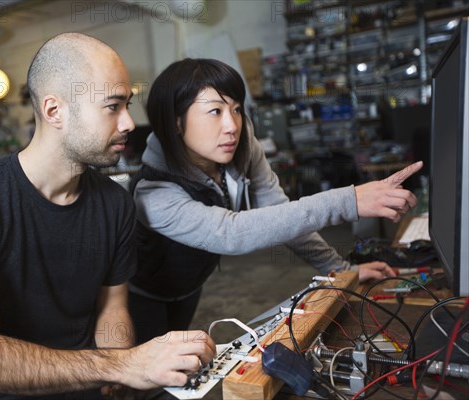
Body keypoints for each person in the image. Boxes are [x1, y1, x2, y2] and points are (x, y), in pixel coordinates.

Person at [0, 34, 215, 400]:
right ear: (54, 110)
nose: (128, 123)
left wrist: (117, 370)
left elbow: (112, 309)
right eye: (112, 107)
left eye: (127, 105)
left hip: (90, 381)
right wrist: (122, 365)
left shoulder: (114, 203)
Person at [128, 58, 423, 344]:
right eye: (215, 111)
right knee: (143, 378)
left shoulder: (241, 148)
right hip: (141, 295)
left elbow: (283, 216)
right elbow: (230, 234)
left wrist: (343, 270)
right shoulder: (153, 192)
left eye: (236, 109)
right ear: (176, 122)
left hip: (191, 286)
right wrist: (348, 201)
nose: (232, 125)